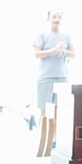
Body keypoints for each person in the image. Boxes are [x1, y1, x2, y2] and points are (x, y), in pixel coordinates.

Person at [32, 11, 74, 156]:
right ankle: (43, 139)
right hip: (45, 78)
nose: (57, 19)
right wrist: (53, 50)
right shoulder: (42, 35)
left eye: (59, 17)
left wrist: (64, 52)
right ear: (49, 19)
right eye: (54, 17)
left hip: (62, 78)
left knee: (60, 111)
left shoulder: (67, 37)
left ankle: (55, 140)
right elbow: (36, 54)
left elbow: (73, 54)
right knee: (44, 111)